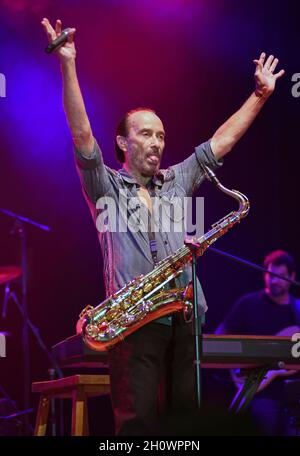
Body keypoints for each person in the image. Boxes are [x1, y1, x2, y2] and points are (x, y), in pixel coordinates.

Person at [41, 17, 285, 435]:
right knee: (138, 428)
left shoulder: (177, 179)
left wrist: (259, 96)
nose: (157, 143)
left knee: (184, 428)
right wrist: (68, 62)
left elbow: (219, 143)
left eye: (162, 136)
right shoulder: (107, 187)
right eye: (147, 134)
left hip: (185, 317)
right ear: (123, 142)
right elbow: (82, 136)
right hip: (133, 323)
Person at [216, 250, 300, 435]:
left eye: (280, 276)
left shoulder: (297, 309)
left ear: (292, 277)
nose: (274, 281)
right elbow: (220, 339)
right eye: (271, 275)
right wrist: (235, 371)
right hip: (260, 394)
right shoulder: (247, 304)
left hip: (295, 397)